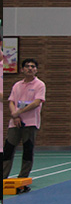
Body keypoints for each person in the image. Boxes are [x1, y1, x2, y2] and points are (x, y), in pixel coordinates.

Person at [2, 59, 45, 187]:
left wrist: (20, 112)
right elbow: (11, 101)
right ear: (22, 69)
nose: (30, 68)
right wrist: (15, 115)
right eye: (27, 66)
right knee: (8, 149)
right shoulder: (17, 85)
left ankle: (23, 178)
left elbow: (36, 102)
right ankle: (3, 176)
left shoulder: (39, 85)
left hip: (30, 122)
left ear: (36, 70)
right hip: (15, 122)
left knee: (28, 149)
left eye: (33, 66)